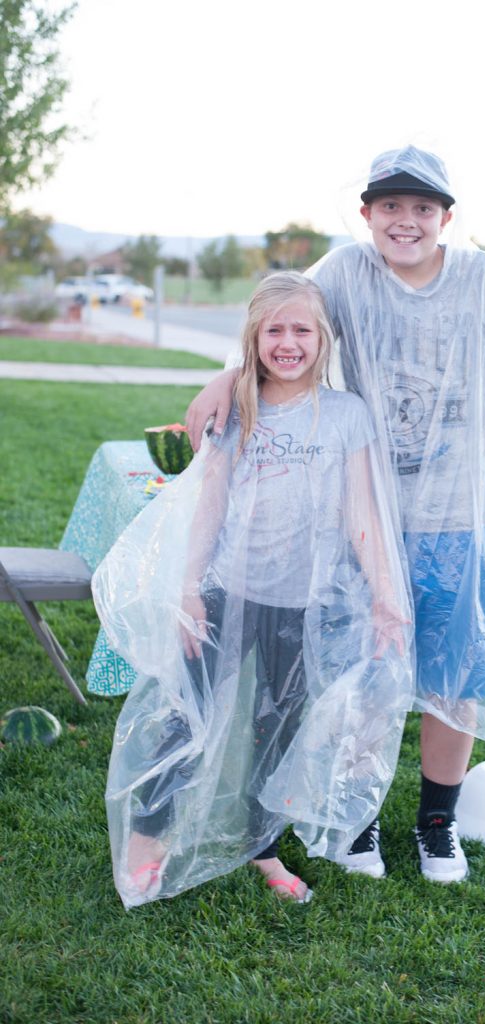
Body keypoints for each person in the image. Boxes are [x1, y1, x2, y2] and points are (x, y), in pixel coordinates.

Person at [186, 145, 485, 885]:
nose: (406, 221)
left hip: (459, 519)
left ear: (445, 219)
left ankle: (437, 824)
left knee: (453, 677)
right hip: (361, 517)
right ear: (367, 213)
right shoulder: (342, 272)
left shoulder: (481, 279)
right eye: (391, 207)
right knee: (365, 673)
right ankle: (357, 816)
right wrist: (227, 375)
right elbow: (281, 322)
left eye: (422, 209)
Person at [93, 272, 412, 908]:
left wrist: (384, 596)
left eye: (302, 330)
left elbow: (362, 515)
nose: (288, 342)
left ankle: (260, 847)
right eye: (275, 330)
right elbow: (210, 502)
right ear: (254, 337)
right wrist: (188, 588)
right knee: (186, 717)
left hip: (303, 607)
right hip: (224, 593)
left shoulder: (347, 416)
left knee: (277, 729)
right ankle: (147, 845)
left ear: (323, 339)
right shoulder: (236, 408)